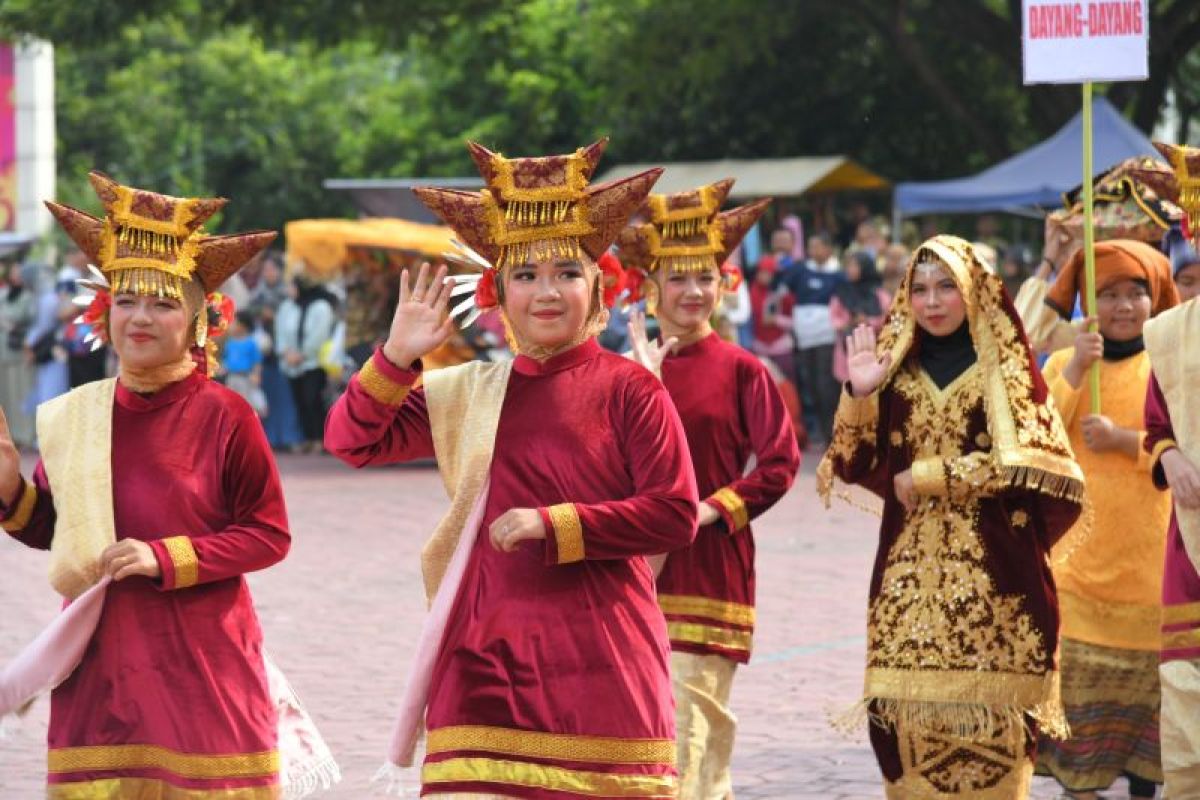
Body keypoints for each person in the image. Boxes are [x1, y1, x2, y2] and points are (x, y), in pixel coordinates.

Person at [325, 140, 698, 798]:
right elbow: (351, 441)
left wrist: (554, 525)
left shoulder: (632, 389)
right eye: (525, 276)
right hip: (481, 661)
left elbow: (673, 514)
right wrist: (394, 357)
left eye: (566, 273)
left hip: (600, 662)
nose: (546, 292)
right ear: (498, 292)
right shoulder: (468, 391)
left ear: (598, 287)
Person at [0, 171, 337, 798]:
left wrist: (164, 556)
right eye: (127, 300)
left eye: (162, 302)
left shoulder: (225, 414)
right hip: (100, 664)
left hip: (202, 661)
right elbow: (52, 530)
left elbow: (268, 535)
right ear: (104, 313)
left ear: (198, 318)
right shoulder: (78, 414)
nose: (141, 317)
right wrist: (8, 492)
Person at [818, 235, 1084, 798]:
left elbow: (1041, 464)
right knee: (904, 733)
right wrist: (859, 393)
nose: (932, 302)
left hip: (999, 587)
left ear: (974, 292)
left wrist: (932, 475)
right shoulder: (896, 370)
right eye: (920, 289)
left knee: (1000, 738)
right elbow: (850, 462)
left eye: (947, 287)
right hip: (907, 589)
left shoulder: (1005, 368)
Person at [617, 178, 801, 799]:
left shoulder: (745, 370)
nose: (693, 292)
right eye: (678, 278)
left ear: (725, 287)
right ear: (651, 289)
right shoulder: (624, 371)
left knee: (690, 731)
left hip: (710, 568)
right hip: (630, 569)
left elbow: (779, 463)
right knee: (632, 732)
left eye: (705, 278)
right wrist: (644, 386)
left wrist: (710, 510)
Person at [1036, 240, 1178, 798]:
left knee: (1152, 738)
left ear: (1154, 299)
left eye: (1135, 294)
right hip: (1078, 572)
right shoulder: (1061, 363)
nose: (1124, 307)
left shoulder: (1169, 366)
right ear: (1087, 303)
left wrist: (1126, 442)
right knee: (1079, 739)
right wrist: (1075, 365)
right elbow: (1036, 436)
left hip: (1152, 572)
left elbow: (1186, 448)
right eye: (1109, 295)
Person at [1143, 219, 1200, 798]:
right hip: (1192, 532)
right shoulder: (1166, 333)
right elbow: (1156, 423)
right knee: (1186, 676)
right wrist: (1172, 456)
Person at [780, 232, 843, 445]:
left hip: (826, 335)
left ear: (829, 249)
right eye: (810, 246)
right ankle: (822, 431)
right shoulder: (800, 271)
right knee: (810, 384)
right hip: (804, 335)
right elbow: (780, 291)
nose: (813, 251)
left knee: (826, 385)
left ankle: (832, 433)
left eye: (817, 246)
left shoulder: (838, 274)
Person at [275, 272, 337, 452]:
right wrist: (286, 352)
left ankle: (321, 438)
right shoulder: (287, 306)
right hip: (291, 363)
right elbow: (280, 331)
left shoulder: (321, 307)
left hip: (314, 363)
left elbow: (319, 334)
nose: (288, 290)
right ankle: (308, 437)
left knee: (313, 400)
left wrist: (302, 354)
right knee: (299, 401)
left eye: (292, 285)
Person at [830, 250, 891, 385]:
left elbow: (889, 319)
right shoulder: (842, 292)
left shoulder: (879, 294)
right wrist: (847, 323)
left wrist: (868, 321)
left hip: (875, 350)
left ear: (865, 268)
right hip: (846, 350)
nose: (850, 270)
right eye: (849, 266)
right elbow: (834, 317)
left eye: (855, 266)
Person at [0, 261, 36, 447]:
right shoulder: (3, 294)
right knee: (5, 393)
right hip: (3, 352)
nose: (17, 275)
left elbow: (34, 322)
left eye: (21, 272)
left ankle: (26, 434)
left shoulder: (30, 297)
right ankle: (10, 434)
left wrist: (13, 325)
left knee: (22, 392)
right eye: (14, 271)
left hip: (22, 352)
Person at [748, 255, 797, 389]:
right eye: (761, 272)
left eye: (768, 273)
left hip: (781, 347)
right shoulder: (751, 292)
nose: (764, 276)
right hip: (759, 348)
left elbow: (794, 321)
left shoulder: (784, 294)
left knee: (787, 385)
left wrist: (776, 320)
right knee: (763, 387)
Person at [222, 309, 268, 418]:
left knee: (247, 404)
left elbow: (257, 361)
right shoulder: (230, 343)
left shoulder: (251, 343)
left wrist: (256, 375)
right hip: (231, 378)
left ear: (243, 326)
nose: (231, 325)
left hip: (245, 378)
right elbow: (226, 359)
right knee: (232, 404)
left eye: (234, 322)